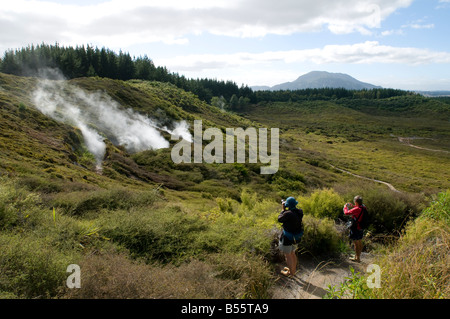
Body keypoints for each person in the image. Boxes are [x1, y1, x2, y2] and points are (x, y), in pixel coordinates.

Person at [278, 196, 304, 277]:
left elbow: (279, 219)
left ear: (287, 205)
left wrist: (283, 209)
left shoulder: (287, 213)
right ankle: (293, 270)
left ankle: (291, 273)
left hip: (287, 237)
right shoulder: (300, 212)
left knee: (288, 255)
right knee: (293, 253)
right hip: (296, 237)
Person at [344, 195, 366, 262]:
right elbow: (357, 208)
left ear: (356, 201)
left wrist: (345, 207)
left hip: (356, 227)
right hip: (361, 227)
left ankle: (357, 258)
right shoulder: (363, 207)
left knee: (356, 243)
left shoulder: (357, 209)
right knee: (359, 242)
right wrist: (353, 206)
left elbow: (346, 213)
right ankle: (357, 256)